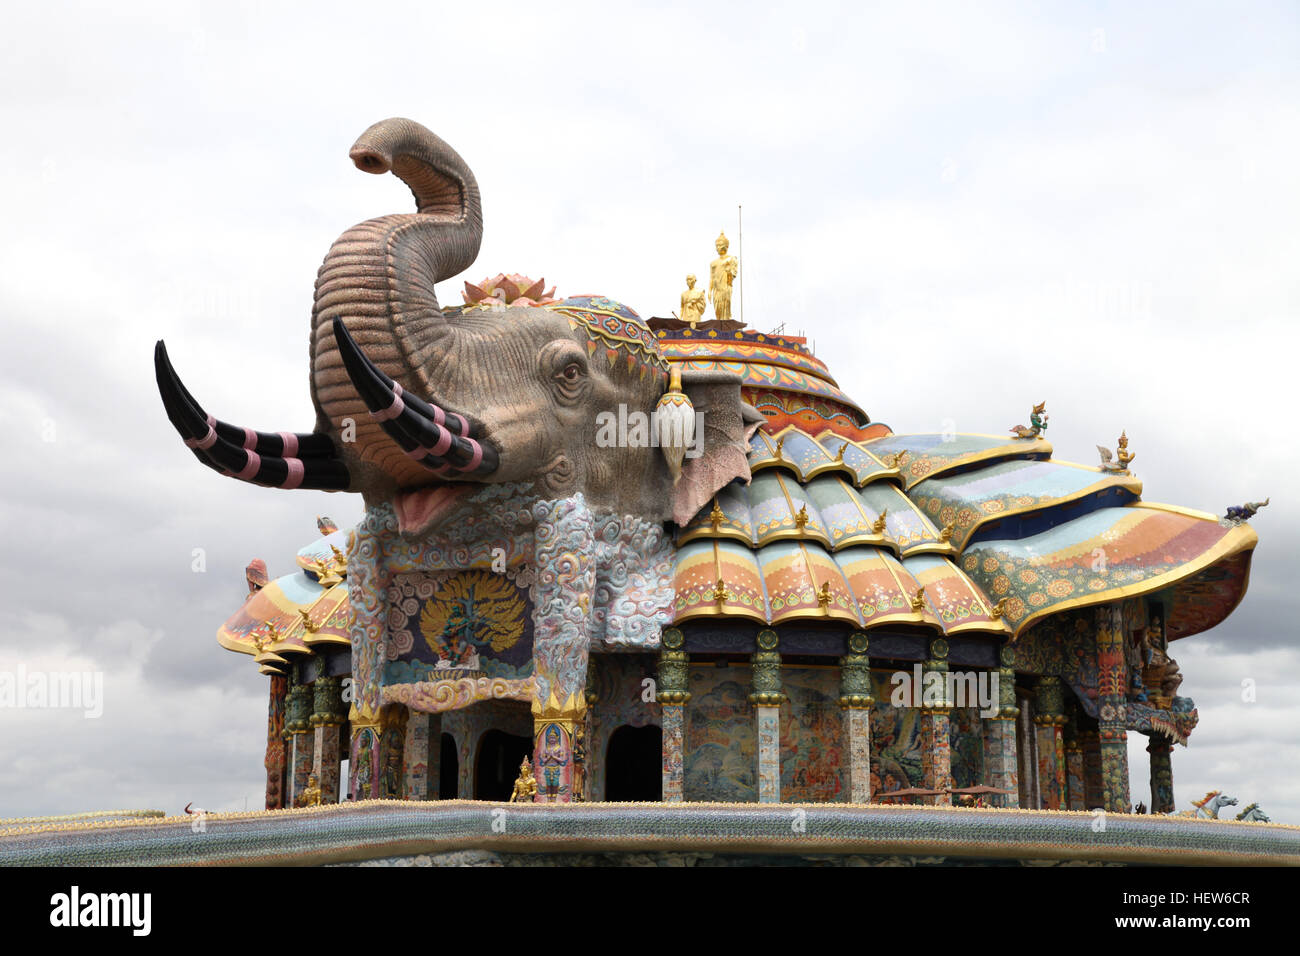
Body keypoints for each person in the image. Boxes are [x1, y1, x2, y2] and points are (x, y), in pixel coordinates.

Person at [709, 232, 739, 321]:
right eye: (716, 245)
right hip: (716, 290)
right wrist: (709, 291)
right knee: (717, 310)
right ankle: (720, 326)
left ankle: (725, 326)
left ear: (726, 246)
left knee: (725, 308)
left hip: (725, 287)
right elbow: (711, 277)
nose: (718, 248)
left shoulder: (731, 259)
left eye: (720, 245)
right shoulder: (713, 263)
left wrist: (729, 269)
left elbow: (733, 274)